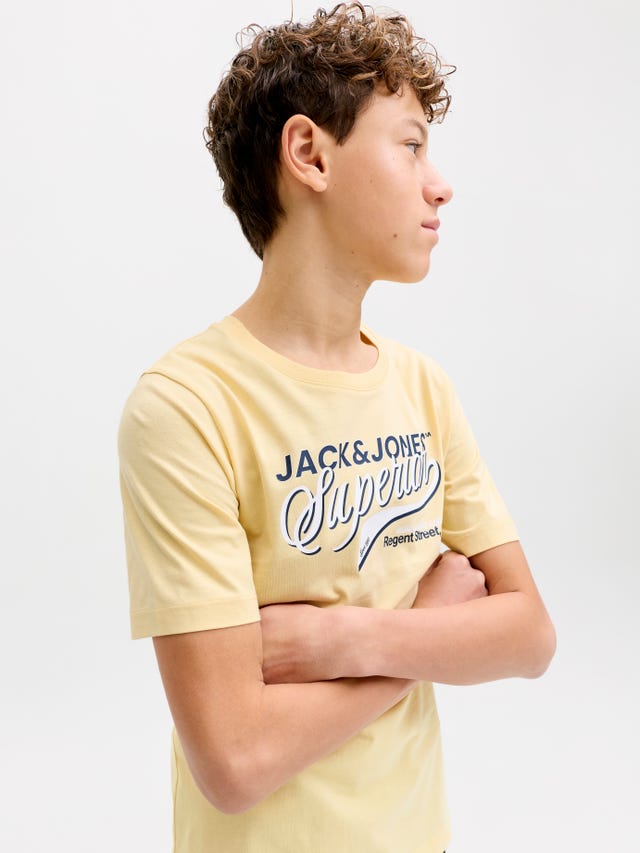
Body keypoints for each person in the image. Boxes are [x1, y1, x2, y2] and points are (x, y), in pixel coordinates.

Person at [117, 3, 556, 851]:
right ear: (310, 155)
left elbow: (530, 635)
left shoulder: (423, 388)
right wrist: (424, 635)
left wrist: (343, 637)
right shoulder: (186, 407)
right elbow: (235, 760)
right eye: (411, 144)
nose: (440, 183)